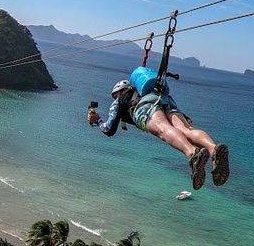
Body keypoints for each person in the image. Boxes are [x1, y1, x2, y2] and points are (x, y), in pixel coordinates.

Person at [92, 78, 229, 189]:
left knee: (163, 129)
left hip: (145, 107)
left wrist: (97, 120)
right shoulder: (143, 90)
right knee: (187, 130)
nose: (115, 98)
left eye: (115, 95)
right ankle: (213, 149)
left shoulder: (119, 101)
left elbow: (108, 129)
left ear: (119, 92)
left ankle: (193, 154)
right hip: (165, 99)